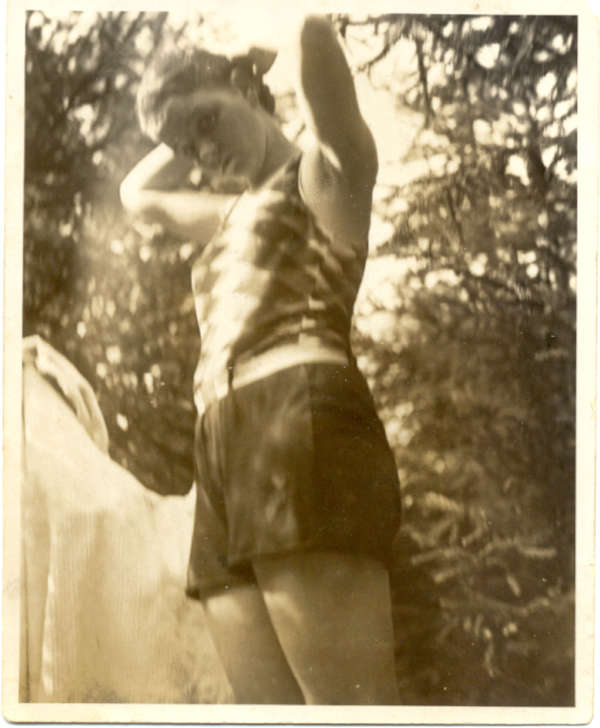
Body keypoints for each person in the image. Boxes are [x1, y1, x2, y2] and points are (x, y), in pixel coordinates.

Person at [120, 15, 402, 705]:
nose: (200, 153)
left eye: (209, 125)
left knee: (352, 709)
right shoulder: (226, 215)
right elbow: (138, 198)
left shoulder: (324, 172)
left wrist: (244, 62)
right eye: (185, 145)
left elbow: (312, 40)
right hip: (220, 441)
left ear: (249, 84)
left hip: (297, 415)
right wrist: (178, 112)